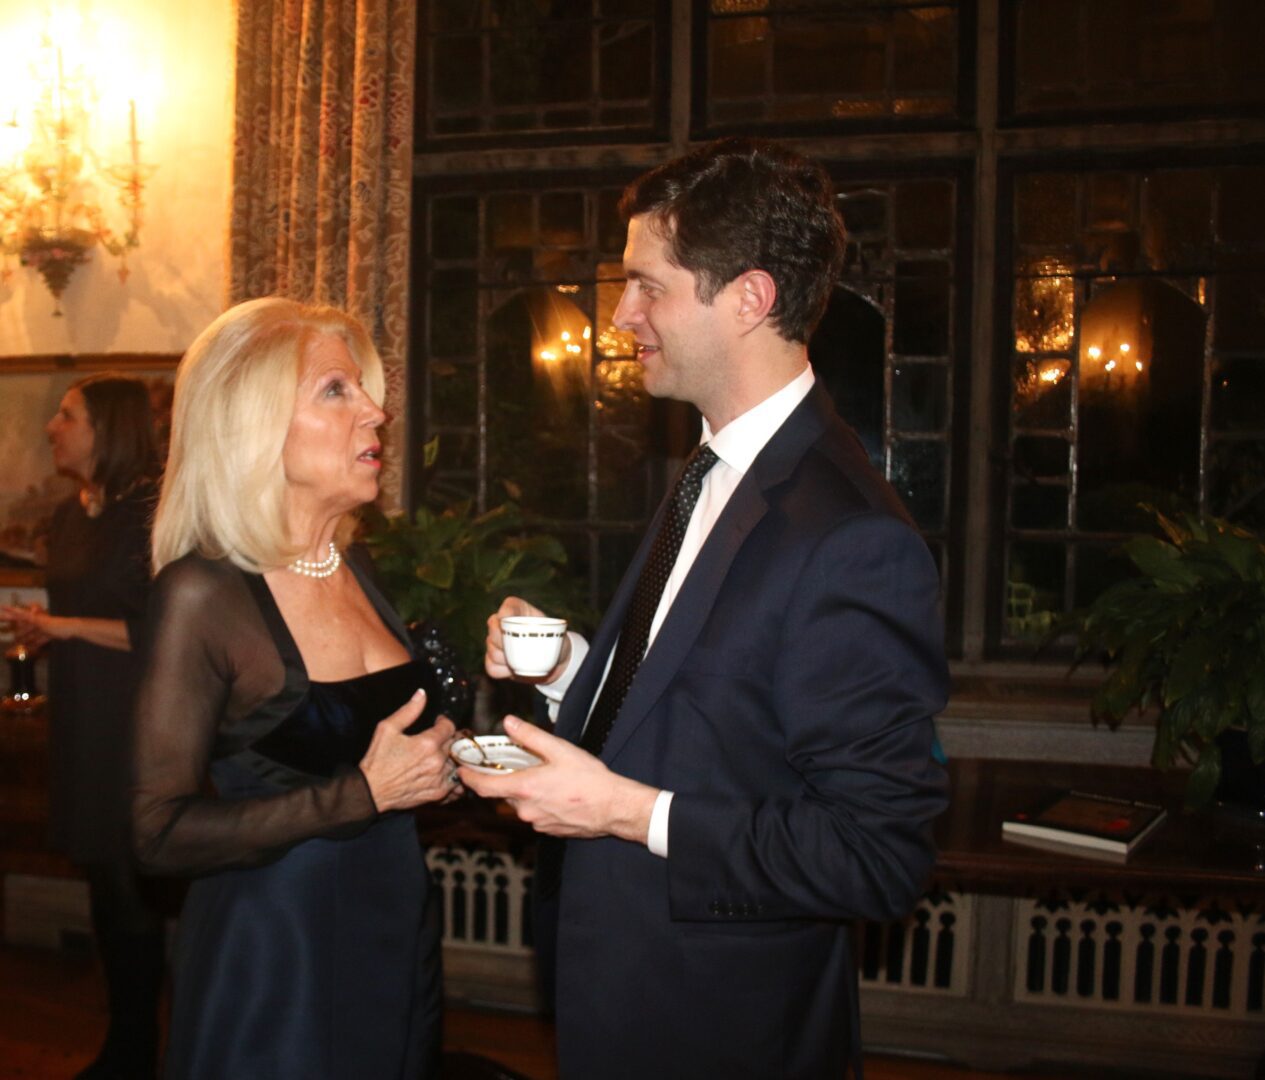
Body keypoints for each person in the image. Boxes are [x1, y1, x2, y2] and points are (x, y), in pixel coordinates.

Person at [464, 138, 950, 1079]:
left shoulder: (851, 535)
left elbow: (876, 855)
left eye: (647, 286)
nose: (621, 314)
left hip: (723, 1029)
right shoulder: (713, 467)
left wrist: (623, 812)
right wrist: (570, 670)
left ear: (749, 298)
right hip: (625, 991)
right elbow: (705, 702)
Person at [130, 297, 463, 1079]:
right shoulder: (203, 594)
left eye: (364, 389)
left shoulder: (357, 568)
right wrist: (363, 794)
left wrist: (440, 768)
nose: (375, 412)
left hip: (394, 928)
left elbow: (375, 752)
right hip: (278, 954)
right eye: (336, 390)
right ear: (253, 423)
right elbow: (158, 833)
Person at [2, 374, 165, 1080]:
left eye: (67, 416)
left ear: (108, 430)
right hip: (81, 714)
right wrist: (47, 630)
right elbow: (81, 613)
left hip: (134, 722)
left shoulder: (152, 516)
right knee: (104, 887)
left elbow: (163, 632)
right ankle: (125, 1044)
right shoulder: (69, 516)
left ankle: (141, 1052)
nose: (52, 427)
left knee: (132, 893)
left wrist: (63, 625)